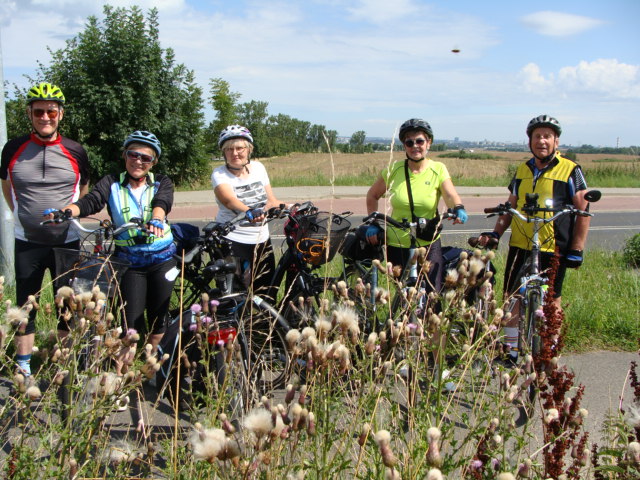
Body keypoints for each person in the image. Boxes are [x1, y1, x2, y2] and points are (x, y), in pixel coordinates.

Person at [55, 130, 176, 371]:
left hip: (162, 258)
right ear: (125, 155)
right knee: (130, 322)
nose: (139, 161)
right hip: (130, 262)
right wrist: (67, 211)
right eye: (133, 154)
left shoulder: (162, 181)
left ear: (154, 162)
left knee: (158, 320)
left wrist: (157, 219)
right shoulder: (111, 182)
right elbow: (91, 201)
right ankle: (122, 377)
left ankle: (152, 371)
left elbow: (162, 203)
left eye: (146, 158)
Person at [477, 115, 590, 362]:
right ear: (530, 141)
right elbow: (511, 205)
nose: (542, 141)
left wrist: (577, 248)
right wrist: (496, 233)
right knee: (512, 296)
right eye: (537, 136)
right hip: (521, 244)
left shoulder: (570, 169)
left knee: (553, 299)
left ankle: (549, 350)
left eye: (547, 136)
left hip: (554, 246)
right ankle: (511, 350)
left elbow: (584, 209)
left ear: (556, 141)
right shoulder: (522, 169)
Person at [1, 82, 90, 376]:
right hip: (27, 240)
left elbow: (83, 190)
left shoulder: (76, 150)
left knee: (68, 306)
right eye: (39, 111)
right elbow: (7, 187)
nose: (45, 117)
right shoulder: (12, 149)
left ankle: (62, 364)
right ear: (30, 113)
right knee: (27, 307)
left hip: (67, 240)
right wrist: (22, 217)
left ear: (60, 114)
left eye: (51, 111)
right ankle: (24, 365)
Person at [365, 118, 468, 295]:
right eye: (409, 142)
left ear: (429, 142)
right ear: (404, 146)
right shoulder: (394, 170)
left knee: (431, 295)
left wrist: (458, 207)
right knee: (402, 296)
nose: (415, 146)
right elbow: (372, 195)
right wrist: (373, 222)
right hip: (397, 242)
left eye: (420, 141)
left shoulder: (438, 169)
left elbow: (449, 194)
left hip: (427, 241)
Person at [211, 125, 283, 301]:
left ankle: (262, 326)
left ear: (249, 149)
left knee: (267, 291)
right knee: (235, 294)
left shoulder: (258, 168)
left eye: (239, 148)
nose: (234, 153)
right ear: (223, 152)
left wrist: (290, 206)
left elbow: (271, 200)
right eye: (229, 149)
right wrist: (249, 211)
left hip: (261, 240)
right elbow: (229, 200)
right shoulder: (219, 174)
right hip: (233, 240)